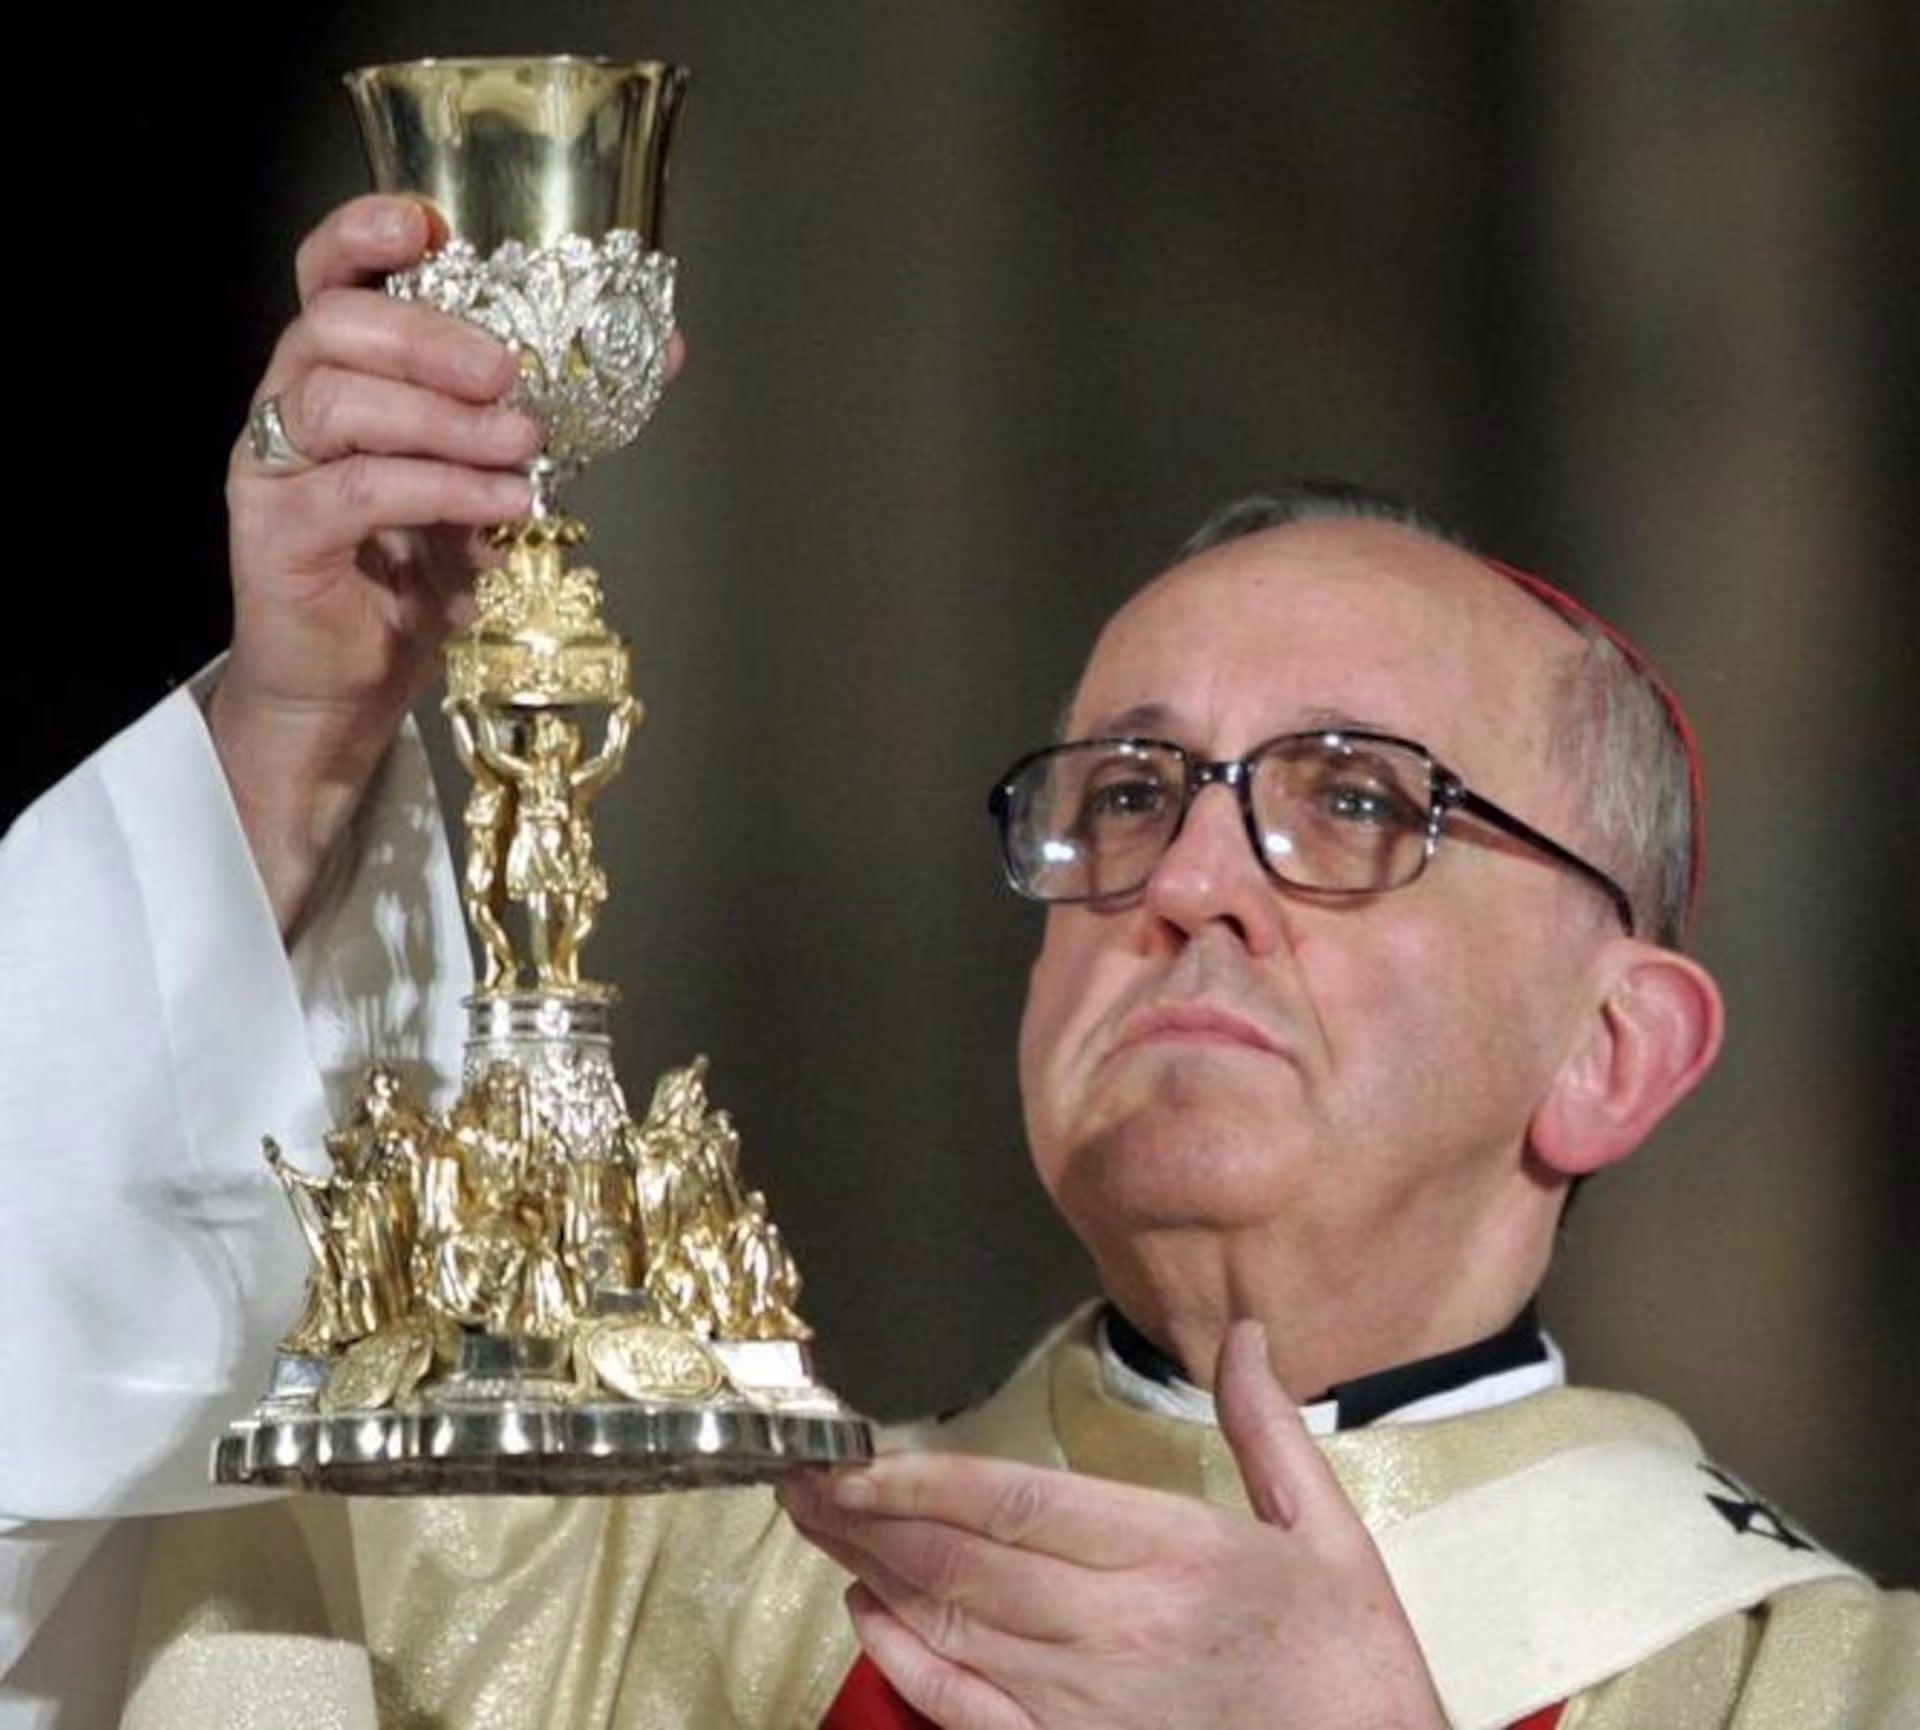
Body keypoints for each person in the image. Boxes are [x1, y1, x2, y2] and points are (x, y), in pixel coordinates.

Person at [2, 195, 1913, 1729]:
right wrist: (305, 730)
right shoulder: (640, 1602)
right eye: (1132, 790)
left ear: (1615, 1050)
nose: (1191, 878)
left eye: (1352, 802)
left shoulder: (1821, 1684)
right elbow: (78, 1461)